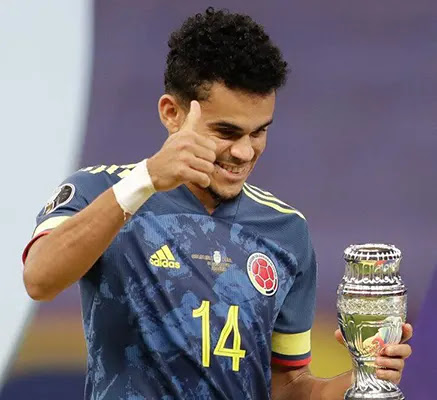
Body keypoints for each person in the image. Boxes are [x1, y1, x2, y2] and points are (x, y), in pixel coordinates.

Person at [22, 8, 412, 400]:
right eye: (226, 132)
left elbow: (289, 386)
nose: (244, 152)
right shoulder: (101, 190)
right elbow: (39, 279)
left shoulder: (287, 231)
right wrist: (146, 180)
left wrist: (363, 379)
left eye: (258, 132)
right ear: (172, 114)